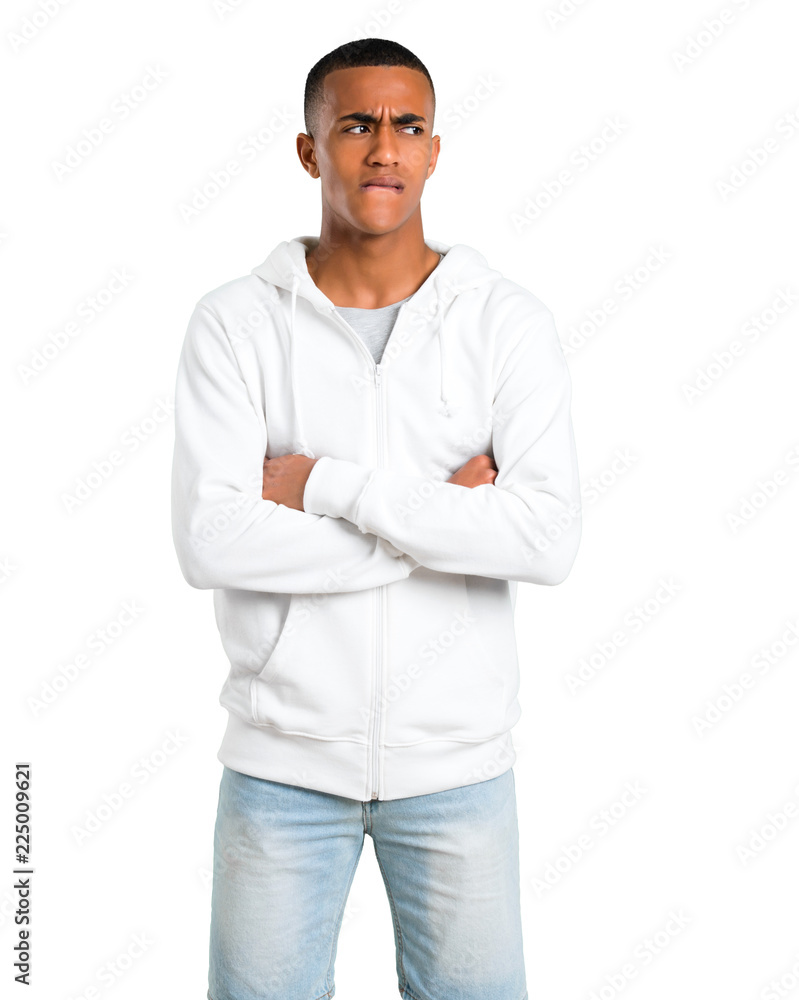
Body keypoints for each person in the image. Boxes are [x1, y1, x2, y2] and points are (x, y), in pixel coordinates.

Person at [170, 36, 581, 1000]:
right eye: (356, 124)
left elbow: (545, 540)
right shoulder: (235, 323)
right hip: (280, 769)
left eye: (407, 126)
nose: (384, 148)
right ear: (309, 149)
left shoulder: (505, 323)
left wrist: (326, 485)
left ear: (434, 150)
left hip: (458, 770)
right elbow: (211, 540)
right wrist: (443, 520)